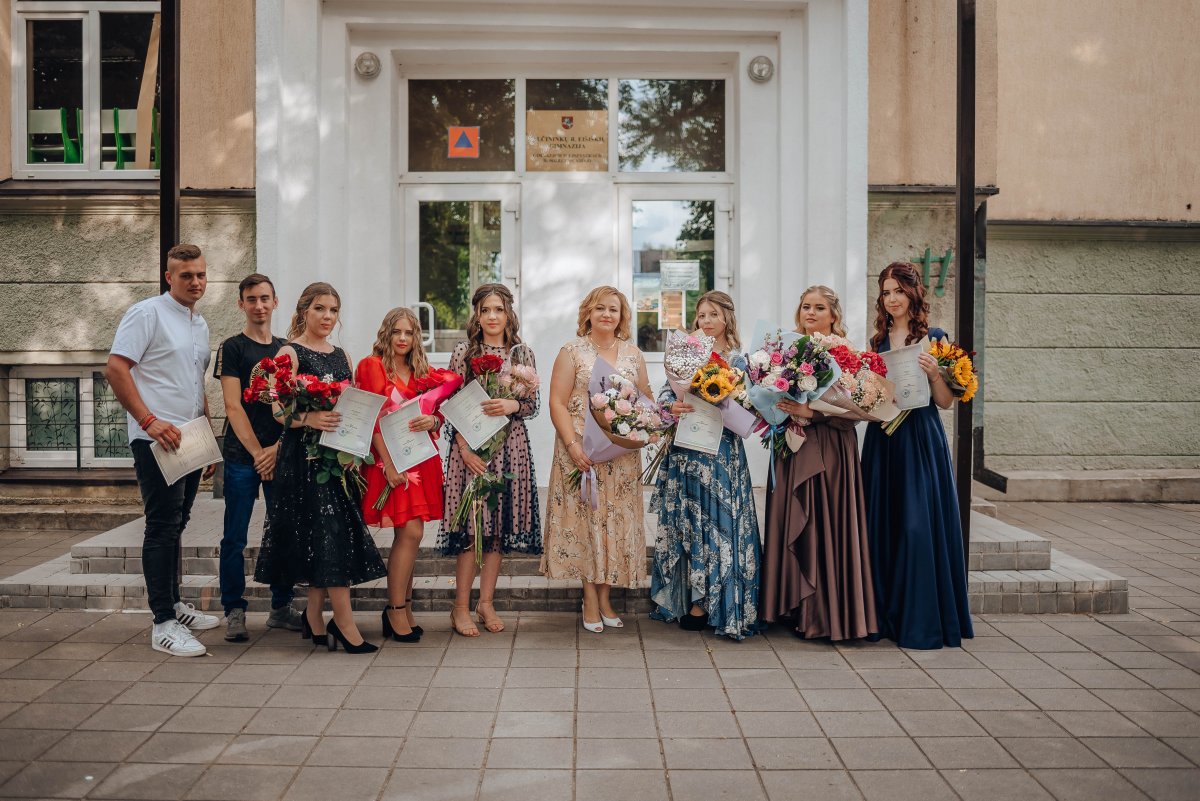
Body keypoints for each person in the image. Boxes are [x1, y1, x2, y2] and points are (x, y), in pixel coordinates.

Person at [253, 282, 386, 654]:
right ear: (303, 311)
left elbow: (351, 407)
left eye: (333, 310)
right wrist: (310, 418)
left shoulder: (342, 355)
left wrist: (355, 452)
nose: (327, 316)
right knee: (329, 535)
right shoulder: (290, 353)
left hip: (337, 460)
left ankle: (314, 617)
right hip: (304, 460)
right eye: (320, 309)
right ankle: (343, 624)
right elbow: (278, 411)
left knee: (326, 535)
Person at [106, 243, 220, 657]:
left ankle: (174, 605)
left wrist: (207, 434)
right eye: (186, 275)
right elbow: (116, 368)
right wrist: (149, 421)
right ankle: (163, 624)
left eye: (201, 274)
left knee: (178, 523)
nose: (195, 282)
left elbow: (194, 382)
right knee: (161, 526)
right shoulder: (147, 313)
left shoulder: (199, 323)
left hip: (189, 438)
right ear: (169, 277)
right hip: (156, 439)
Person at [861, 262, 973, 649]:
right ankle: (885, 618)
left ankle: (921, 620)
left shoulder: (935, 338)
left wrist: (935, 374)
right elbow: (872, 400)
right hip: (883, 440)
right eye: (885, 292)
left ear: (913, 293)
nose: (891, 299)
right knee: (884, 524)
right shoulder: (875, 342)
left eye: (898, 291)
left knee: (916, 526)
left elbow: (945, 402)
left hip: (921, 440)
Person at [760, 286, 878, 641]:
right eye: (806, 307)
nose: (810, 313)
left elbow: (856, 410)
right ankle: (794, 607)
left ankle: (825, 614)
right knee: (794, 520)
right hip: (792, 446)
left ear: (833, 315)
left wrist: (812, 411)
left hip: (831, 448)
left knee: (825, 523)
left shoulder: (848, 353)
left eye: (819, 308)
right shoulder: (786, 349)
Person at [650, 291, 761, 639]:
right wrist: (672, 405)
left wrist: (729, 400)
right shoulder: (685, 353)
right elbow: (665, 395)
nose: (706, 321)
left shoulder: (739, 360)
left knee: (719, 524)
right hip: (686, 451)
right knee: (691, 525)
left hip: (721, 454)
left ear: (727, 317)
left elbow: (752, 406)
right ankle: (692, 599)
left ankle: (716, 604)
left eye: (713, 314)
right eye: (701, 315)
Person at [542, 286, 652, 632]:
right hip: (581, 454)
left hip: (621, 458)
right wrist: (573, 445)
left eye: (613, 309)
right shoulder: (571, 352)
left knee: (614, 525)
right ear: (588, 312)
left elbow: (645, 399)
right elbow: (557, 402)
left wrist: (651, 425)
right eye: (600, 308)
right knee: (587, 524)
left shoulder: (634, 354)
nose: (607, 314)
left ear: (622, 316)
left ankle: (606, 598)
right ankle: (589, 598)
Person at [439, 284, 541, 636]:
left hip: (510, 448)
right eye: (486, 310)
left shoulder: (522, 354)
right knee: (472, 530)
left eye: (499, 309)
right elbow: (450, 404)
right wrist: (464, 449)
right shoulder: (464, 352)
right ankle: (459, 607)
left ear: (509, 313)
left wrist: (512, 403)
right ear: (477, 315)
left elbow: (531, 405)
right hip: (471, 452)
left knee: (497, 531)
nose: (492, 316)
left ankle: (486, 603)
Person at [357, 307, 460, 643]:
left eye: (409, 332)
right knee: (411, 532)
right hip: (389, 460)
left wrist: (436, 420)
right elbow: (371, 420)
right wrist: (387, 464)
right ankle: (395, 609)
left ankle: (405, 607)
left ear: (417, 337)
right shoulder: (372, 366)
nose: (402, 338)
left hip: (419, 459)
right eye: (396, 332)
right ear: (386, 333)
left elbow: (448, 390)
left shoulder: (421, 371)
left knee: (412, 535)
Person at [214, 273, 302, 642]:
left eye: (265, 298)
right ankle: (234, 610)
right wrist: (257, 454)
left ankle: (281, 607)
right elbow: (233, 407)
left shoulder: (286, 349)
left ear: (275, 302)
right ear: (241, 304)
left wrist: (276, 449)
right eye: (251, 299)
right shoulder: (232, 348)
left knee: (282, 531)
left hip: (280, 453)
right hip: (241, 456)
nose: (259, 305)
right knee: (234, 536)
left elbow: (295, 407)